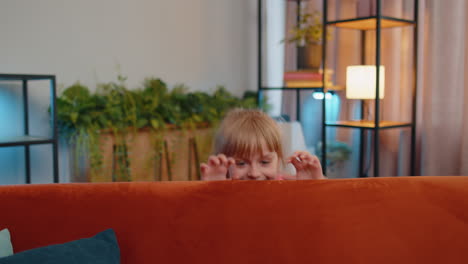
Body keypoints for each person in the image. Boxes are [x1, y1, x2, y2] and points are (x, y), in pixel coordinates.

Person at [200, 108, 325, 181]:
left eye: (265, 162)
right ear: (224, 165)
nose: (254, 173)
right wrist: (213, 188)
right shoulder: (221, 186)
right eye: (241, 163)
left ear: (278, 158)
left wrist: (313, 185)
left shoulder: (286, 182)